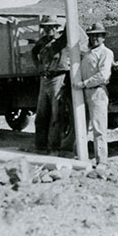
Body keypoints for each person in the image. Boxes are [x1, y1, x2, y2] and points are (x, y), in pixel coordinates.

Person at [73, 22, 114, 166]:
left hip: (98, 92)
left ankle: (101, 161)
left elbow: (103, 75)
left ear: (103, 38)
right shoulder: (87, 53)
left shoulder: (106, 53)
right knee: (81, 125)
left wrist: (84, 84)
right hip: (84, 92)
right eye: (92, 36)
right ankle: (80, 157)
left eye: (98, 36)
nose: (95, 38)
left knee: (99, 128)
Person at [31, 15, 71, 153]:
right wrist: (39, 67)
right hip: (45, 79)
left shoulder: (60, 43)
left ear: (56, 28)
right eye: (46, 27)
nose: (48, 30)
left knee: (56, 115)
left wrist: (70, 16)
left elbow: (68, 31)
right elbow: (33, 52)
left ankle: (54, 148)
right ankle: (40, 147)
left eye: (51, 27)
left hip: (57, 79)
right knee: (41, 115)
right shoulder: (41, 43)